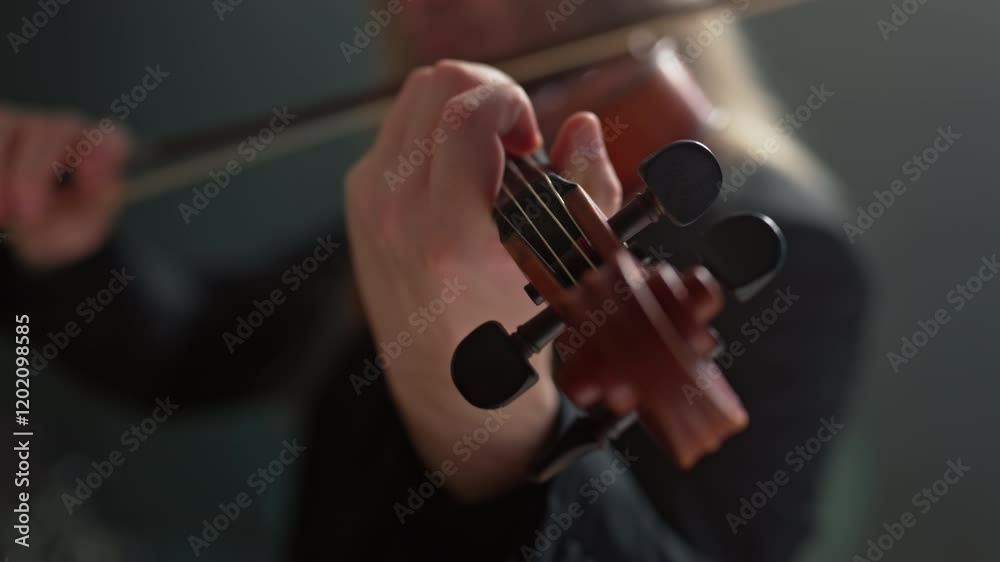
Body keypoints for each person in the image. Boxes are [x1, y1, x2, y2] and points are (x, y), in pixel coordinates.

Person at [2, 1, 868, 560]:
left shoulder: (785, 250)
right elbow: (202, 349)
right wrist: (69, 249)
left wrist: (517, 444)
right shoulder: (463, 178)